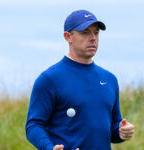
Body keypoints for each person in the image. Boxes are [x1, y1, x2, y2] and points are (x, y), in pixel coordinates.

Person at [25, 9, 134, 150]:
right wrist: (49, 147)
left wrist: (121, 131)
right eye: (85, 33)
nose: (93, 38)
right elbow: (34, 125)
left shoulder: (109, 79)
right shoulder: (50, 79)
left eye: (96, 32)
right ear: (68, 37)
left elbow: (112, 127)